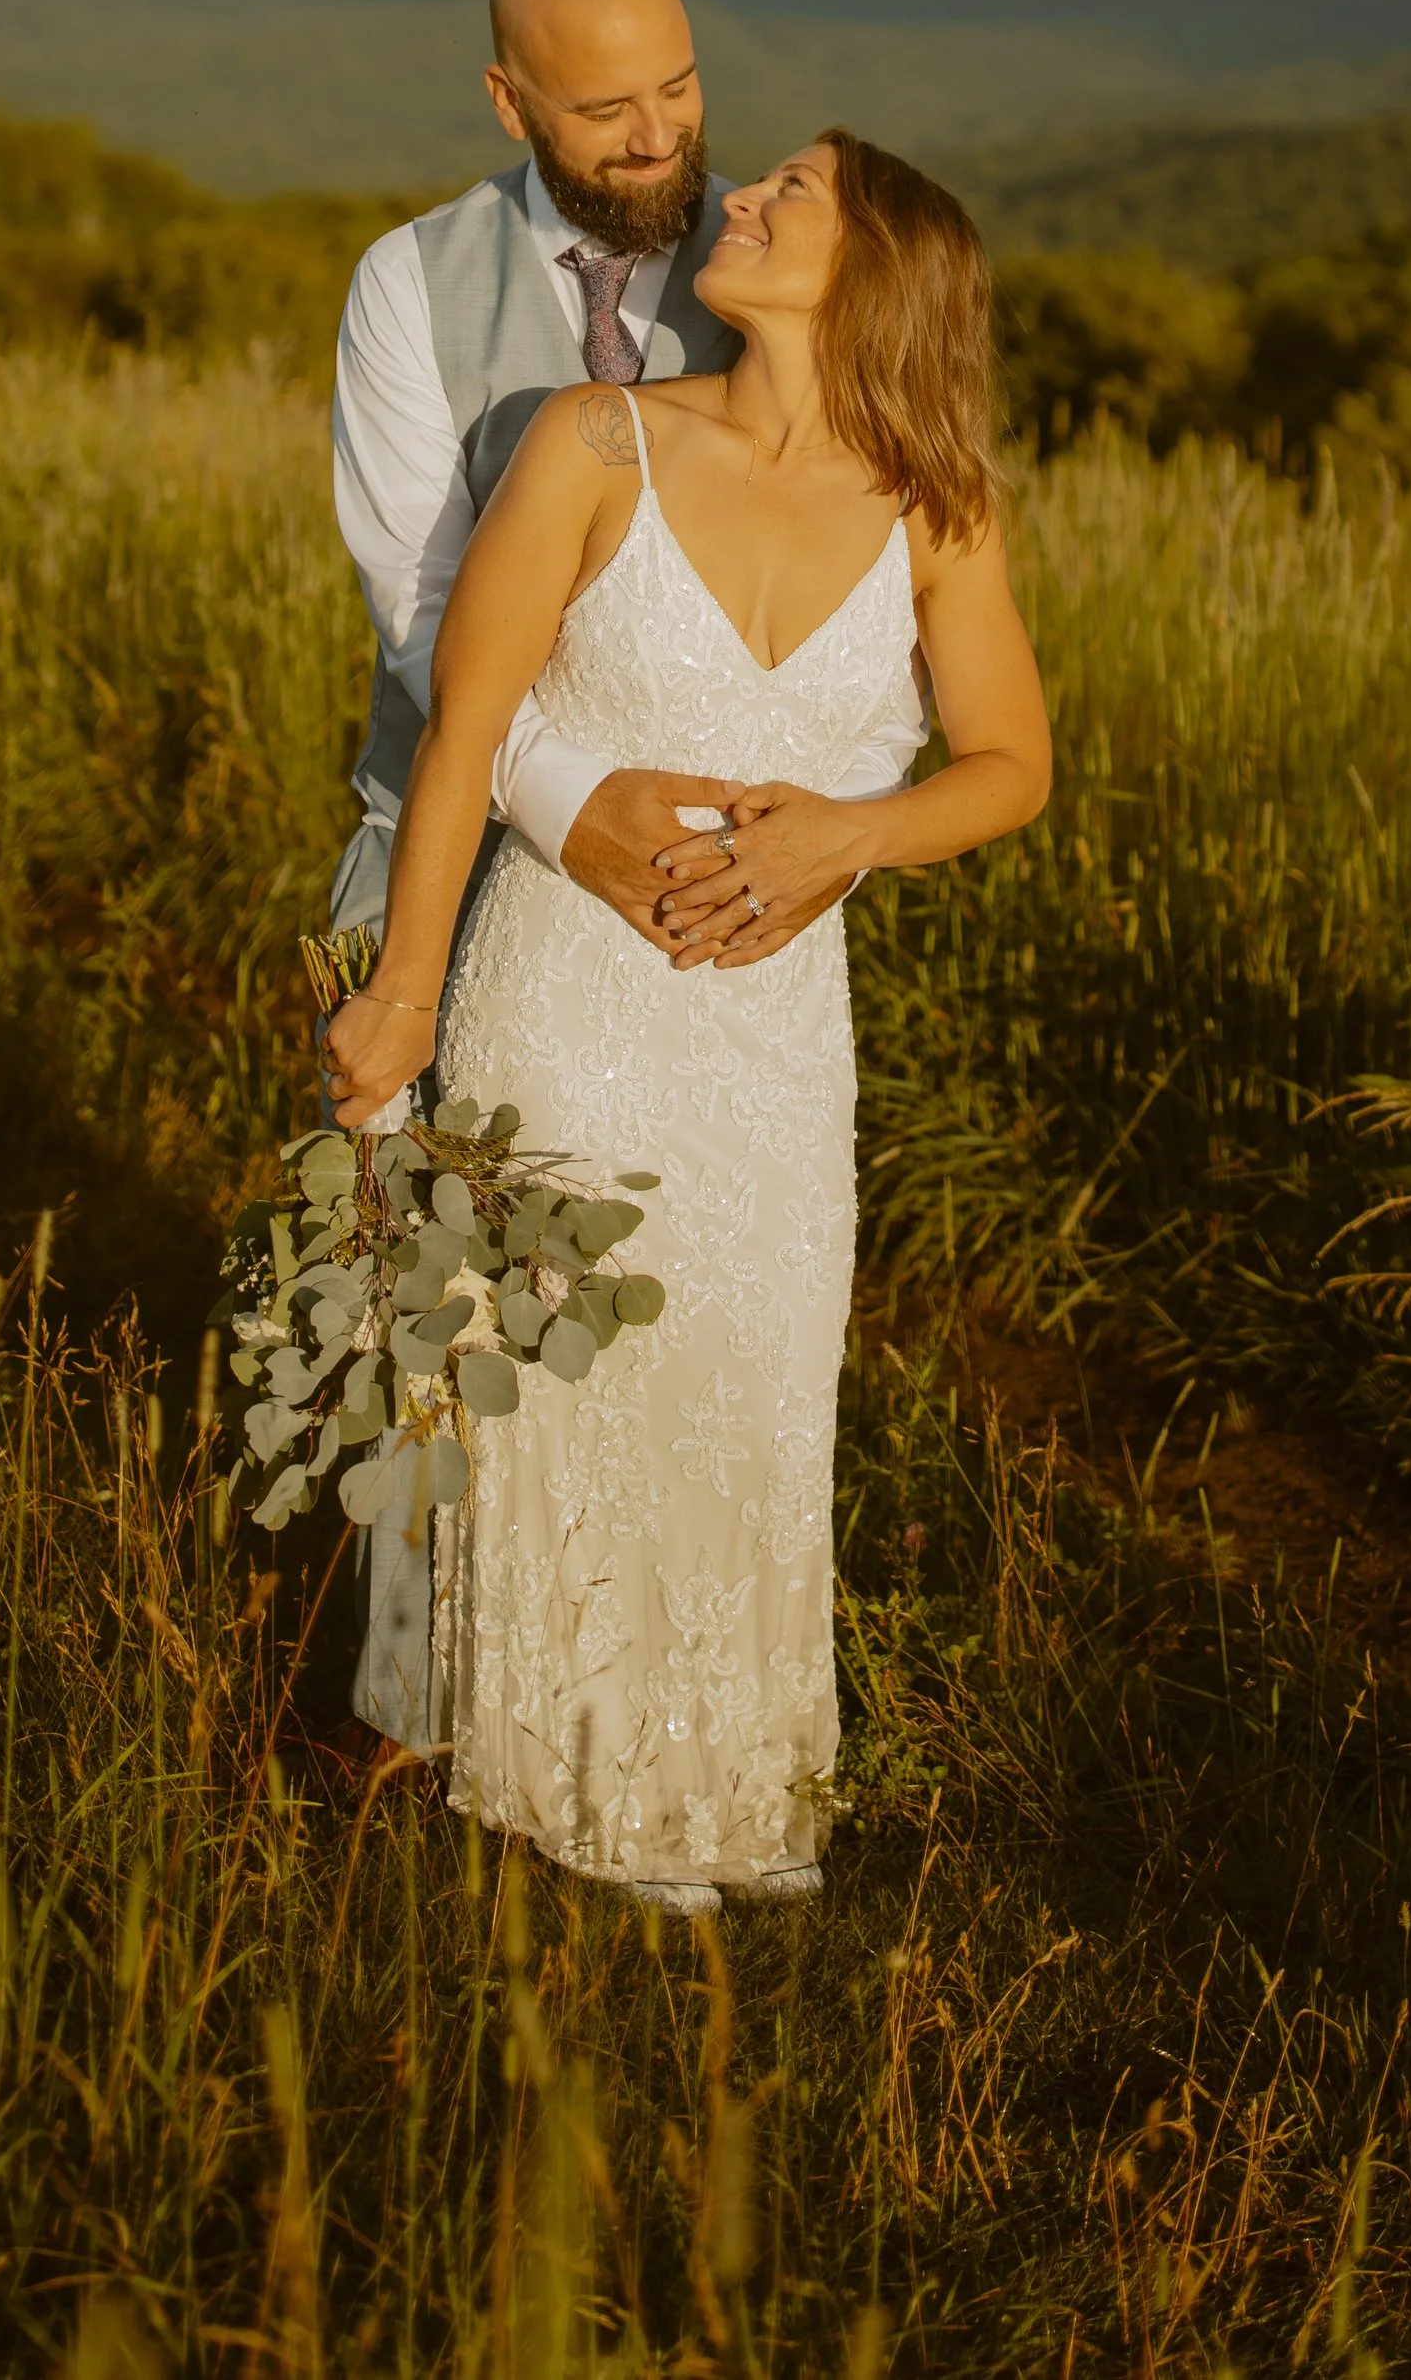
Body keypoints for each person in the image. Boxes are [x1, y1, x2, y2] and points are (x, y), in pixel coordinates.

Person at [326, 128, 1051, 1912]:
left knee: (744, 1383)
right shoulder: (597, 442)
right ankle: (556, 1780)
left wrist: (856, 835)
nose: (745, 197)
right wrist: (404, 1001)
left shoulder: (936, 507)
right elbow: (465, 737)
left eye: (795, 191)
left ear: (879, 268)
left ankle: (722, 1789)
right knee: (578, 1386)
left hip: (779, 1045)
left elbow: (1014, 767)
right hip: (565, 995)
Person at [329, 0, 925, 1743]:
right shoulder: (408, 292)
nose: (669, 142)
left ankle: (649, 1723)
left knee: (678, 1346)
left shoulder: (756, 267)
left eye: (682, 88)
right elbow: (426, 617)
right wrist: (567, 806)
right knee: (430, 1322)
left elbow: (867, 595)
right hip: (457, 836)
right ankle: (432, 1734)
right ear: (512, 101)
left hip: (713, 922)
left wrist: (827, 824)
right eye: (611, 110)